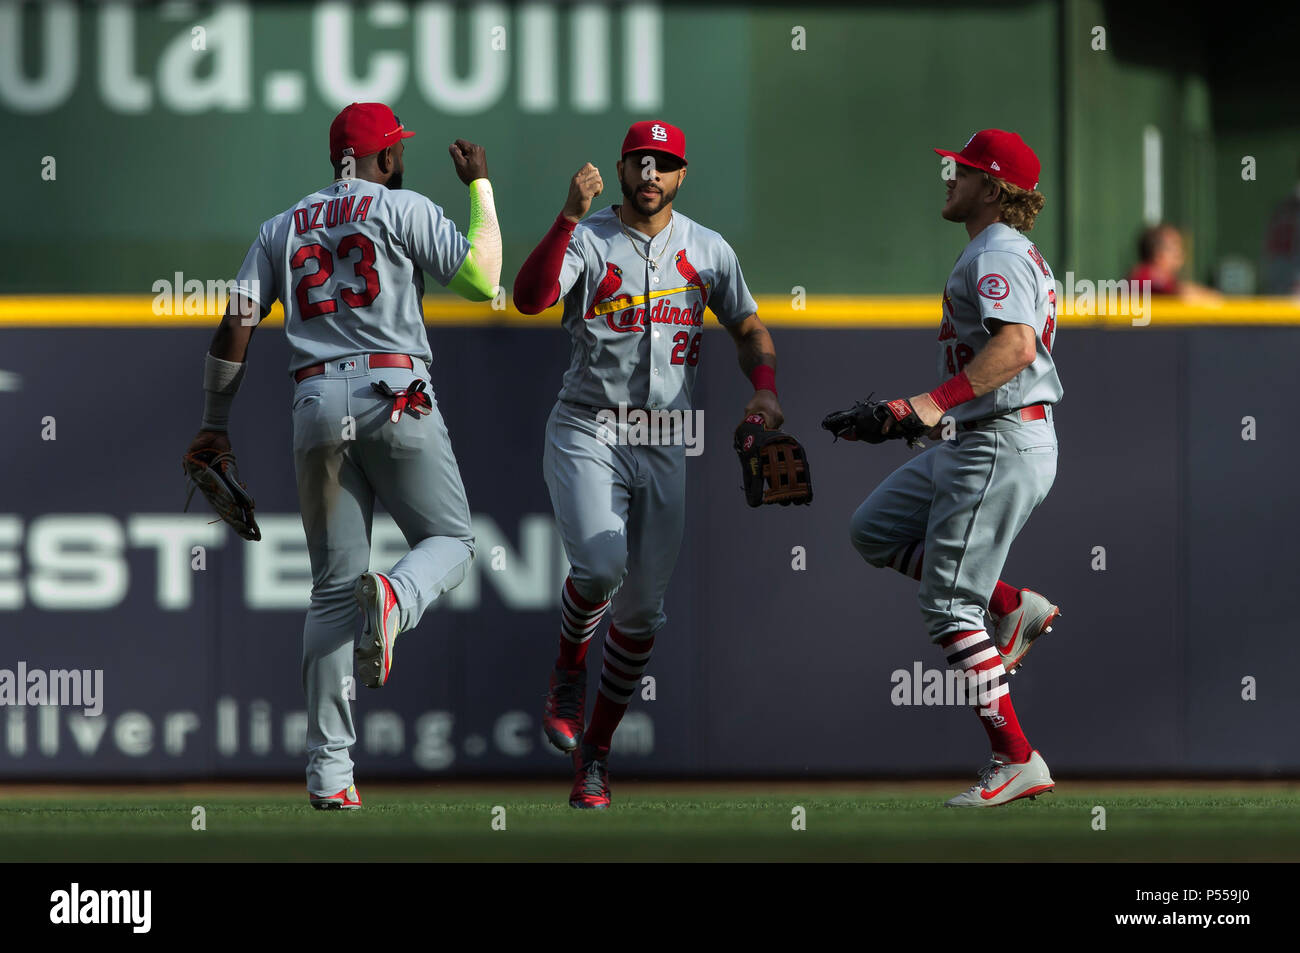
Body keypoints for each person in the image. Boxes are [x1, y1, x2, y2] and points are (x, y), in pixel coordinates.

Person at [182, 102, 501, 809]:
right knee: (449, 538)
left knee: (330, 589)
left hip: (315, 403)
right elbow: (482, 279)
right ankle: (396, 595)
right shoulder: (400, 206)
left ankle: (330, 775)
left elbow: (236, 321)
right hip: (395, 390)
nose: (399, 161)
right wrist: (479, 186)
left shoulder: (280, 225)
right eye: (396, 152)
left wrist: (214, 422)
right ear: (382, 160)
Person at [513, 120, 782, 809]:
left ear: (682, 175)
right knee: (601, 565)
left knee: (640, 616)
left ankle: (593, 758)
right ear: (622, 167)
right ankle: (568, 669)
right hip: (587, 426)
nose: (651, 173)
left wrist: (765, 391)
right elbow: (530, 298)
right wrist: (568, 216)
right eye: (641, 161)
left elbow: (749, 326)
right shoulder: (592, 238)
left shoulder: (708, 250)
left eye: (665, 163)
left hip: (668, 436)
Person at [841, 129, 1063, 807]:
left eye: (962, 169)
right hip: (978, 435)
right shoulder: (996, 249)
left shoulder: (996, 249)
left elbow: (1017, 346)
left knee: (945, 603)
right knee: (872, 529)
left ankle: (1016, 757)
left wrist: (932, 403)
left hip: (1000, 437)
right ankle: (1009, 603)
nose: (949, 175)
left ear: (992, 189)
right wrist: (905, 419)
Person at [1127, 224, 1221, 303]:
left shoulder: (1164, 280)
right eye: (1175, 246)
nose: (1180, 252)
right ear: (1158, 254)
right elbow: (1182, 293)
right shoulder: (1145, 274)